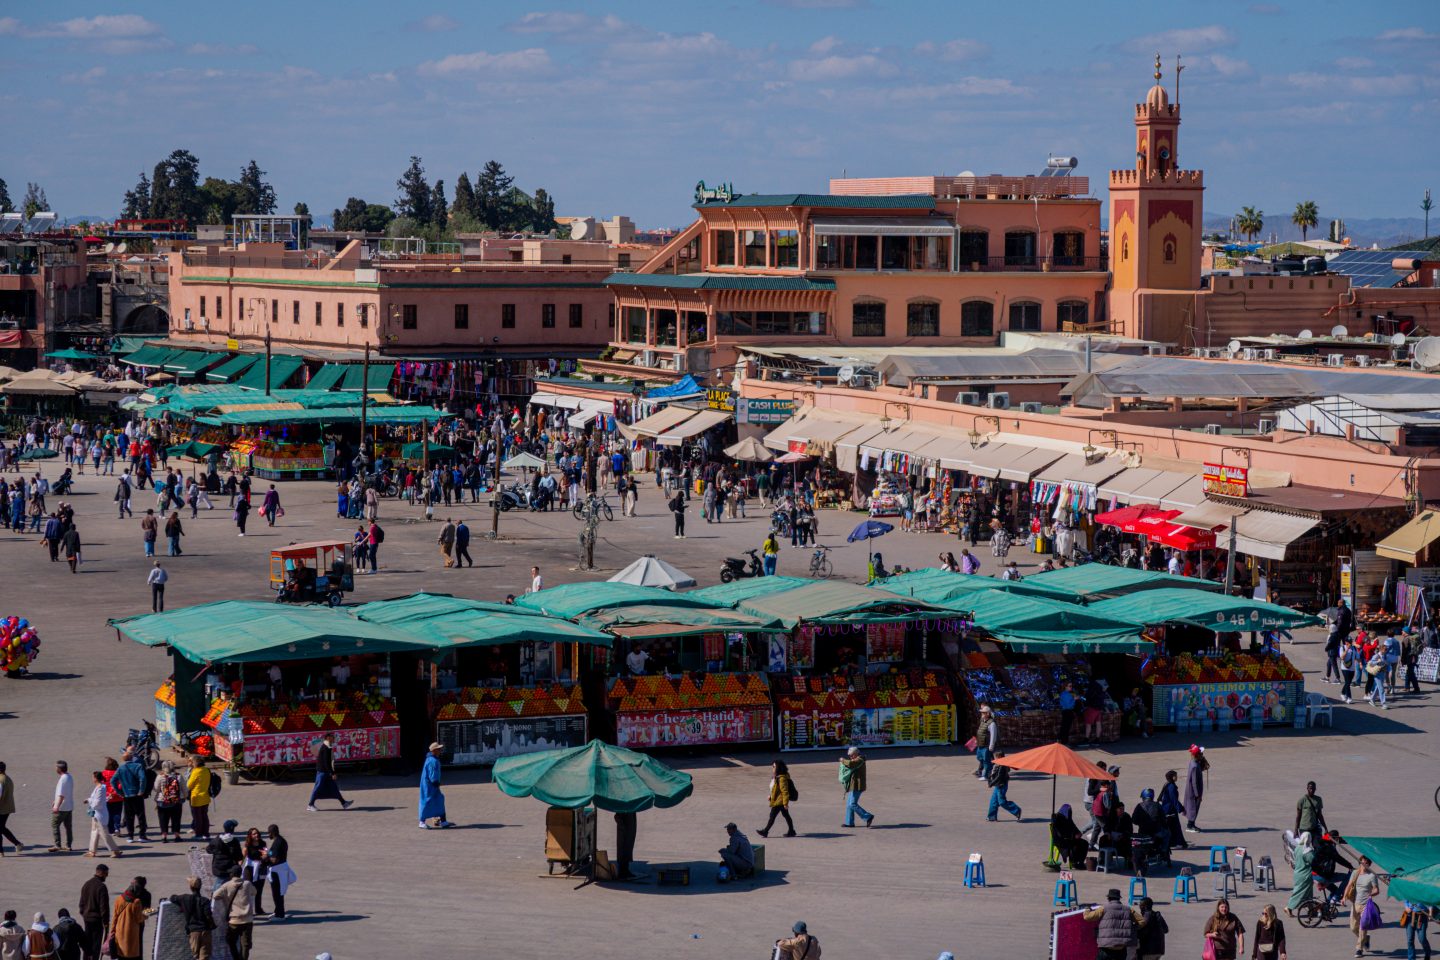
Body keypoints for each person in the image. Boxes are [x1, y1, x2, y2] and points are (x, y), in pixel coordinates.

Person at [1082, 888, 1141, 960]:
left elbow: (1087, 917)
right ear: (1119, 898)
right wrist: (1132, 928)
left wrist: (1087, 909)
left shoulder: (1103, 908)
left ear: (1108, 898)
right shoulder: (1128, 909)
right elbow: (1142, 921)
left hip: (1106, 948)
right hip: (1121, 949)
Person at [212, 868, 255, 960]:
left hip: (234, 921)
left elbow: (215, 895)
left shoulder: (227, 885)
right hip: (247, 920)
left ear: (231, 874)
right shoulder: (247, 884)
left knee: (231, 941)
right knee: (245, 945)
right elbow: (254, 892)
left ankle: (236, 958)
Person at [166, 877, 214, 960]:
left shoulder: (185, 898)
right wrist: (212, 925)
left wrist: (182, 905)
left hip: (193, 931)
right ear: (200, 887)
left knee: (196, 956)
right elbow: (208, 915)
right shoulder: (205, 901)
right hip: (205, 931)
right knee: (204, 957)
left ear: (190, 887)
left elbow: (172, 898)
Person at [1344, 855, 1381, 957]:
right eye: (1361, 862)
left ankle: (1359, 949)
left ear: (1368, 864)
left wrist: (1371, 894)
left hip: (1366, 906)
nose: (1363, 864)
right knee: (1353, 928)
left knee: (1363, 927)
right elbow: (1348, 885)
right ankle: (1366, 939)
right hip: (1355, 904)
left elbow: (1376, 890)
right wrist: (1344, 898)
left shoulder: (1371, 876)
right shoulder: (1355, 873)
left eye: (1365, 863)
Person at [306, 732, 354, 811]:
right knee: (317, 788)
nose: (334, 738)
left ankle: (344, 803)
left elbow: (328, 762)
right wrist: (332, 773)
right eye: (332, 737)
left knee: (334, 788)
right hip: (322, 772)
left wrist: (331, 772)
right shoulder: (325, 747)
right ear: (328, 738)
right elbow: (326, 762)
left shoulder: (328, 746)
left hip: (326, 771)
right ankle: (310, 805)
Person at [112, 750, 148, 843]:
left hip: (126, 795)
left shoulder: (121, 768)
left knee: (129, 816)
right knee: (140, 815)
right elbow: (143, 778)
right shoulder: (138, 766)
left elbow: (113, 781)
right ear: (132, 758)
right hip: (137, 794)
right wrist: (141, 790)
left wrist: (119, 792)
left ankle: (130, 836)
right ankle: (142, 835)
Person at [82, 772, 119, 859]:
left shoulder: (101, 788)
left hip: (99, 815)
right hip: (96, 814)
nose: (92, 779)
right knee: (94, 832)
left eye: (93, 777)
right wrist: (88, 800)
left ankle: (115, 850)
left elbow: (97, 803)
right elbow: (97, 799)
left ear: (95, 778)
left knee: (104, 834)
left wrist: (90, 803)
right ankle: (92, 851)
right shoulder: (99, 787)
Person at [419, 742, 454, 829]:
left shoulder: (432, 759)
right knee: (427, 802)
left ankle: (443, 821)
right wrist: (436, 783)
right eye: (438, 749)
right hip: (429, 787)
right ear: (434, 751)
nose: (440, 751)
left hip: (431, 786)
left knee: (439, 801)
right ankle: (422, 821)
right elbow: (432, 775)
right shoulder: (433, 761)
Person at [757, 760, 797, 838]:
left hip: (780, 801)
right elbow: (775, 789)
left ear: (778, 767)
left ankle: (765, 831)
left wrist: (785, 803)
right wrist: (771, 796)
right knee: (786, 815)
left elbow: (784, 791)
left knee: (772, 816)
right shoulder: (777, 777)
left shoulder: (782, 778)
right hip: (778, 800)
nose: (772, 768)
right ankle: (791, 831)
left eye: (774, 766)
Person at [264, 824, 295, 921]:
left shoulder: (278, 842)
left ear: (272, 832)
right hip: (280, 869)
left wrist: (265, 859)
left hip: (277, 871)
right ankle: (277, 911)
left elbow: (274, 859)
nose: (268, 834)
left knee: (277, 893)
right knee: (278, 892)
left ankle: (280, 915)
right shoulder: (281, 840)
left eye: (268, 832)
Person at [78, 865, 110, 960]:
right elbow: (104, 907)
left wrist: (84, 914)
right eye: (106, 874)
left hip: (87, 919)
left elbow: (81, 904)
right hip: (97, 920)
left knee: (87, 943)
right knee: (96, 944)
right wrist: (106, 922)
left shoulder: (86, 884)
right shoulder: (101, 887)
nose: (107, 876)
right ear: (101, 873)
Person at [108, 884, 147, 960]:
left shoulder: (119, 899)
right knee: (131, 955)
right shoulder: (136, 902)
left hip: (119, 933)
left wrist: (112, 931)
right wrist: (146, 914)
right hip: (131, 935)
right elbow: (139, 918)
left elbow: (114, 917)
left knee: (121, 954)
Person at [839, 746, 873, 828]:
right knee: (849, 805)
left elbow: (851, 764)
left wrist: (842, 760)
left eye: (851, 755)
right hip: (853, 785)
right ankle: (849, 822)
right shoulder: (857, 759)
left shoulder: (860, 759)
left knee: (852, 804)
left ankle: (868, 816)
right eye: (850, 756)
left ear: (856, 753)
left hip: (858, 785)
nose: (850, 757)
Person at [985, 750, 1022, 821]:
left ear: (999, 757)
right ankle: (991, 817)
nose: (994, 759)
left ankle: (1017, 810)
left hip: (1001, 785)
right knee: (994, 801)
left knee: (1001, 802)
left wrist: (991, 783)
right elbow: (993, 774)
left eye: (995, 757)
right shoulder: (997, 764)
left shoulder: (1002, 766)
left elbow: (999, 776)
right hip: (997, 785)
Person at [1158, 769, 1187, 850]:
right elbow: (1174, 800)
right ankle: (1178, 843)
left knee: (1170, 827)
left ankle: (1173, 842)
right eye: (1175, 776)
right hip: (1170, 810)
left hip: (1167, 809)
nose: (1176, 777)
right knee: (1176, 827)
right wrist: (1181, 809)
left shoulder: (1168, 784)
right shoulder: (1172, 787)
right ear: (1172, 777)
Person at [186, 757, 212, 839]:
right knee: (204, 816)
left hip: (196, 797)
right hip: (205, 796)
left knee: (197, 817)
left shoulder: (195, 771)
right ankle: (206, 833)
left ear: (195, 763)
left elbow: (189, 785)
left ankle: (198, 834)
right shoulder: (206, 770)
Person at [1184, 745, 1208, 833]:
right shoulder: (1194, 765)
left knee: (1193, 808)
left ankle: (1192, 824)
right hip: (1194, 792)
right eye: (1201, 753)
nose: (1202, 755)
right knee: (1193, 808)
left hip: (1193, 791)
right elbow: (1194, 782)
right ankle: (1190, 826)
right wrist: (1197, 795)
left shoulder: (1194, 762)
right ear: (1197, 755)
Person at [0, 761, 21, 855]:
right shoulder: (8, 779)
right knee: (2, 828)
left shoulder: (0, 780)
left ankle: (1, 851)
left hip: (1, 809)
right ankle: (17, 843)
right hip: (7, 808)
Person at [974, 705, 998, 780]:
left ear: (987, 714)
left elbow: (993, 735)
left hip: (986, 745)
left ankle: (986, 775)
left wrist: (991, 745)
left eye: (983, 713)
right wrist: (976, 740)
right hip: (980, 744)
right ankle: (991, 766)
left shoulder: (991, 723)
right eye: (982, 713)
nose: (982, 714)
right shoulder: (982, 721)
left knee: (986, 760)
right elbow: (980, 732)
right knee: (979, 757)